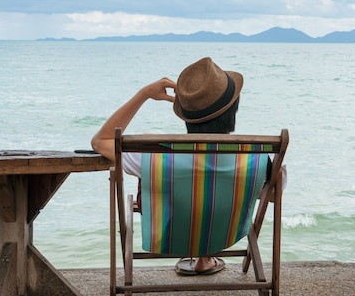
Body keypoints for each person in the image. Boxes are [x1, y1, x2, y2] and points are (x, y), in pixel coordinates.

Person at [91, 57, 243, 276]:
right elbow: (272, 197)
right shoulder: (257, 158)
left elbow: (100, 141)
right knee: (212, 196)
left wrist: (143, 94)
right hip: (225, 231)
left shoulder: (152, 152)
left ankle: (201, 255)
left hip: (170, 233)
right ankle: (205, 256)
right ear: (233, 110)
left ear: (186, 115)